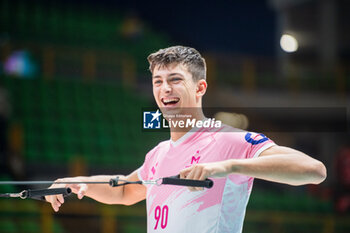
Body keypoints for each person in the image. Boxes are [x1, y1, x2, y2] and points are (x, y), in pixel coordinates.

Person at [46, 46, 327, 233]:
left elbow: (315, 171)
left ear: (200, 87)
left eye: (175, 79)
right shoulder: (158, 153)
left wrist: (227, 167)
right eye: (158, 81)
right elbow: (124, 189)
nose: (165, 89)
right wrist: (78, 183)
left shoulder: (229, 140)